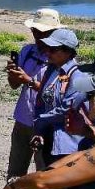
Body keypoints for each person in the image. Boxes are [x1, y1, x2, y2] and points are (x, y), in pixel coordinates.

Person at [5, 8, 58, 181]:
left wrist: (28, 80)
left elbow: (56, 92)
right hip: (22, 119)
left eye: (41, 31)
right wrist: (13, 74)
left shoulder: (59, 57)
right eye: (35, 31)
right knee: (15, 172)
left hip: (45, 124)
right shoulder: (27, 51)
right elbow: (13, 85)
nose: (37, 35)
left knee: (43, 174)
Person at [31, 29, 83, 167]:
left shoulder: (78, 75)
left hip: (66, 144)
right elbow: (40, 101)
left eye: (53, 50)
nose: (48, 52)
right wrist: (39, 130)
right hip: (47, 136)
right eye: (47, 48)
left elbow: (67, 108)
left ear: (67, 52)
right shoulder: (51, 70)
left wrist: (40, 120)